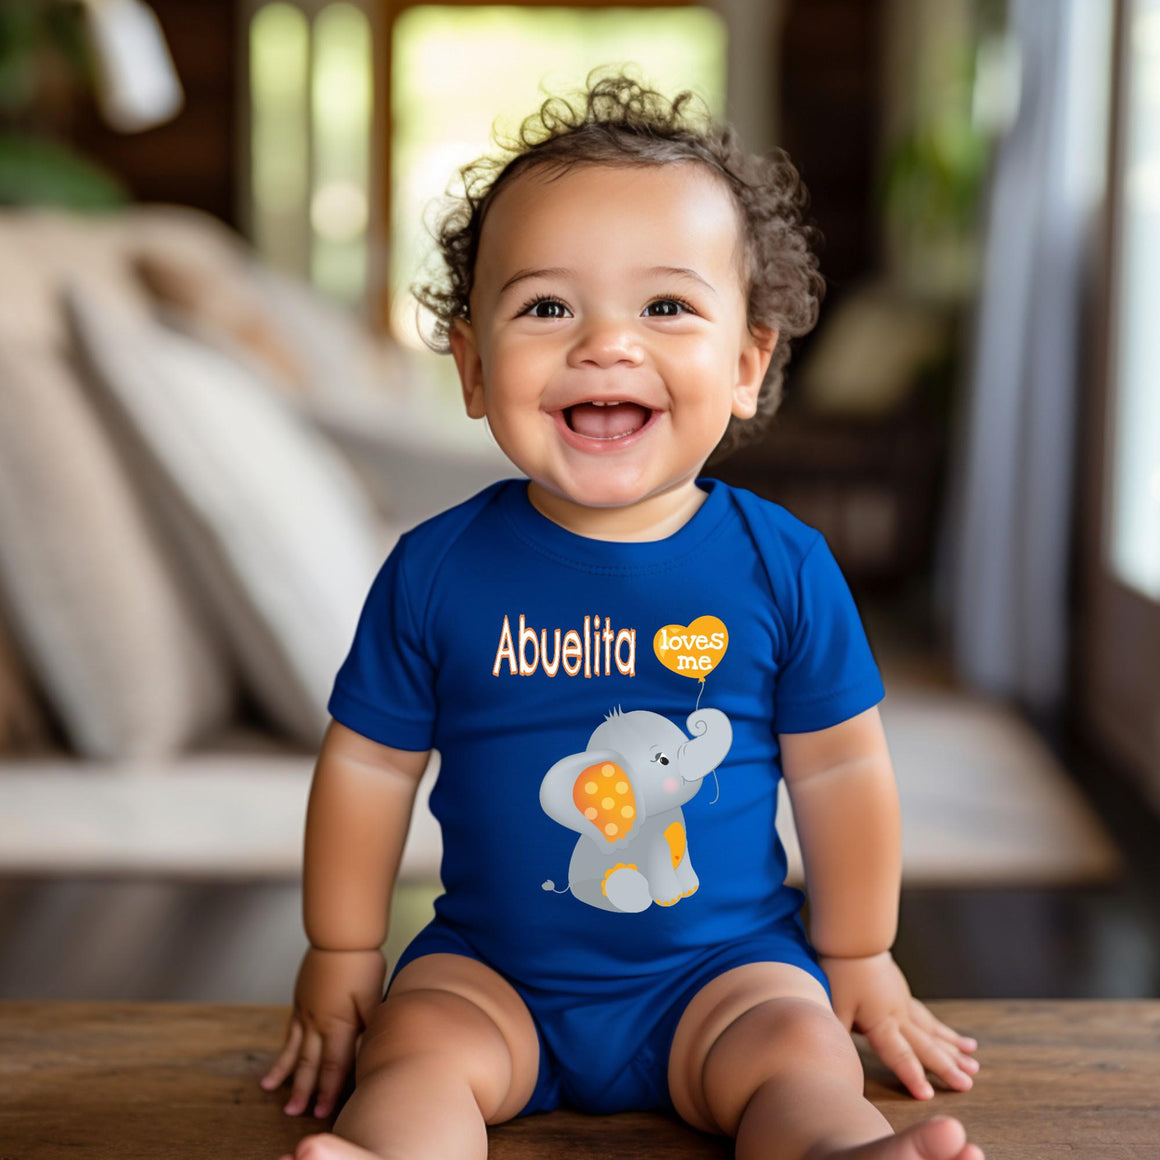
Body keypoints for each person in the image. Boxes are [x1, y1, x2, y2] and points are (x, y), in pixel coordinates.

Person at [260, 68, 984, 1160]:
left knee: (799, 1053)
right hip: (489, 969)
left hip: (724, 972)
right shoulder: (433, 569)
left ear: (745, 363)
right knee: (414, 1051)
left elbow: (838, 769)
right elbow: (367, 767)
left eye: (664, 306)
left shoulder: (778, 565)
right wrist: (343, 949)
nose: (605, 344)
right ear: (470, 364)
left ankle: (836, 1149)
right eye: (546, 306)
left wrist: (860, 954)